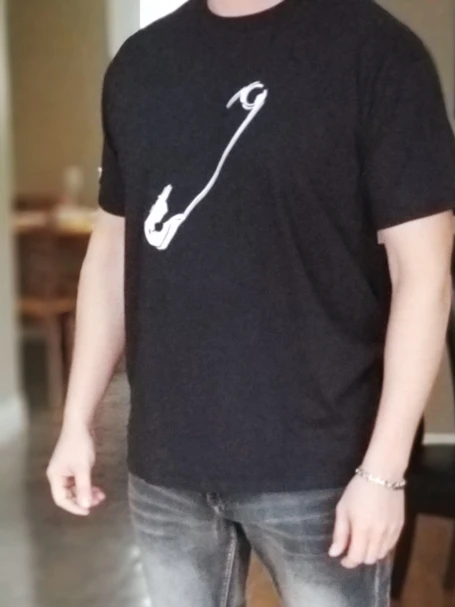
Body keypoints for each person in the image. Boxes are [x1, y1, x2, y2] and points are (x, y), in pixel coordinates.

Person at [47, 0, 455, 605]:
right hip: (166, 465)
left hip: (322, 468)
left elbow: (425, 274)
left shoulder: (377, 52)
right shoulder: (140, 64)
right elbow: (110, 256)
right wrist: (76, 421)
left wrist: (383, 471)